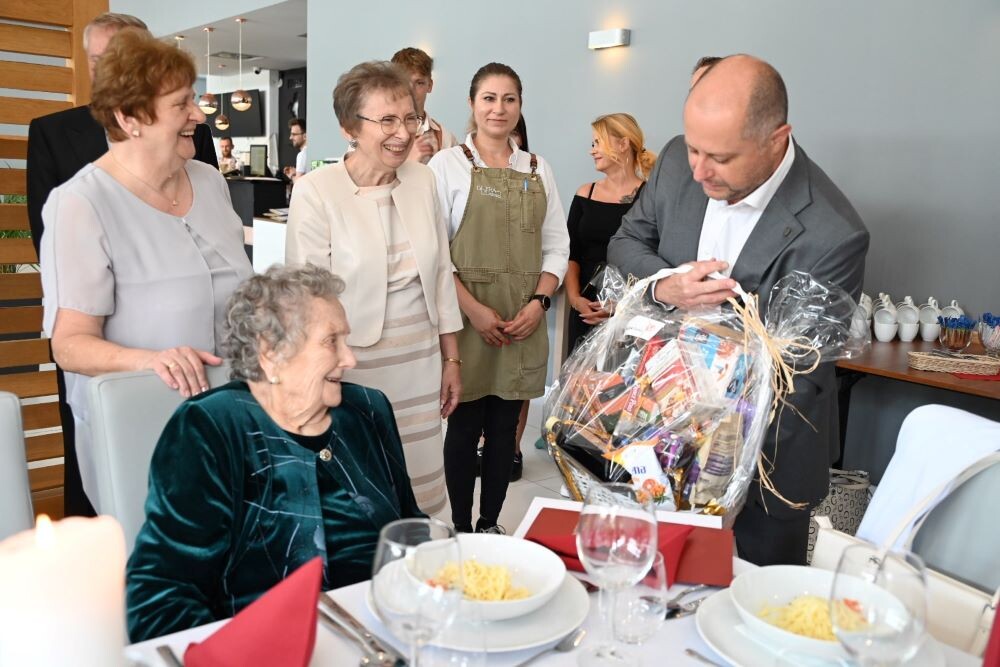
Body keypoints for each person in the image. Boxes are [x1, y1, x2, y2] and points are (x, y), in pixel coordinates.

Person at [607, 55, 869, 566]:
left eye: (721, 158)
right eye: (694, 149)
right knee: (650, 583)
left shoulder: (834, 234)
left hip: (766, 464)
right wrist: (667, 287)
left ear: (776, 139)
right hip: (652, 433)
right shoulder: (679, 161)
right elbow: (626, 241)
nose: (698, 170)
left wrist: (714, 470)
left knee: (754, 598)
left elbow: (799, 376)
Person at [126, 265, 425, 641]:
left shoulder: (368, 409)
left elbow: (410, 530)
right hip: (263, 645)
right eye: (331, 341)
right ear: (271, 353)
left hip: (386, 634)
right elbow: (161, 593)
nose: (350, 359)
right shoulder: (211, 426)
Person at [39, 28, 253, 510]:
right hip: (146, 427)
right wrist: (149, 361)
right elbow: (69, 344)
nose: (199, 114)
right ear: (129, 117)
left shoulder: (210, 182)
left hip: (235, 418)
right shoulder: (80, 203)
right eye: (182, 104)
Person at [285, 61, 463, 516]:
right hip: (354, 367)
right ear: (350, 127)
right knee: (365, 490)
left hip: (420, 362)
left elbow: (441, 274)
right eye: (386, 120)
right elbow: (308, 301)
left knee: (421, 490)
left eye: (409, 118)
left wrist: (451, 359)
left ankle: (423, 554)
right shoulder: (317, 192)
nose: (403, 133)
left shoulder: (423, 180)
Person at [429, 63, 569, 534]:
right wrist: (472, 310)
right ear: (472, 104)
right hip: (466, 323)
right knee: (464, 428)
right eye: (489, 98)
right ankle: (461, 527)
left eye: (509, 99)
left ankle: (490, 524)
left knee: (506, 431)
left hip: (522, 321)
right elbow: (435, 253)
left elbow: (557, 246)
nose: (499, 108)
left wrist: (539, 303)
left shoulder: (538, 168)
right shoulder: (446, 165)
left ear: (519, 106)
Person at [564, 113, 656, 353]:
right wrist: (575, 299)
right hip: (584, 312)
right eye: (592, 143)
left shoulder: (649, 197)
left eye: (598, 143)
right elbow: (571, 253)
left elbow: (654, 259)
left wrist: (623, 306)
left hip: (631, 317)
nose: (592, 150)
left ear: (623, 144)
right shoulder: (585, 193)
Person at [390, 47, 458, 164]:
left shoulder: (445, 139)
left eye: (419, 83)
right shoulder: (374, 129)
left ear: (430, 85)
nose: (411, 90)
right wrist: (409, 162)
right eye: (404, 82)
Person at [283, 117, 308, 182]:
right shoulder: (309, 153)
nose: (290, 137)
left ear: (305, 136)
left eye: (294, 134)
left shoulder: (302, 155)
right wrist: (296, 172)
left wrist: (291, 175)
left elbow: (299, 183)